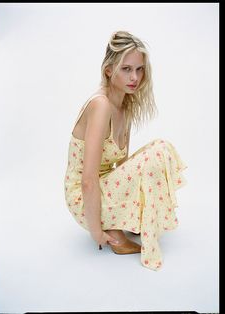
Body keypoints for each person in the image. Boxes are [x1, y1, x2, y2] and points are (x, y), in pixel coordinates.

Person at [64, 31, 187, 271]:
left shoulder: (125, 105)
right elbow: (88, 180)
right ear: (109, 70)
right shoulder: (100, 106)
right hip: (83, 197)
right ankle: (113, 232)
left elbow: (121, 168)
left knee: (159, 149)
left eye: (140, 69)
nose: (135, 77)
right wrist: (96, 232)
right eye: (126, 69)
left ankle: (122, 223)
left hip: (103, 187)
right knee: (158, 151)